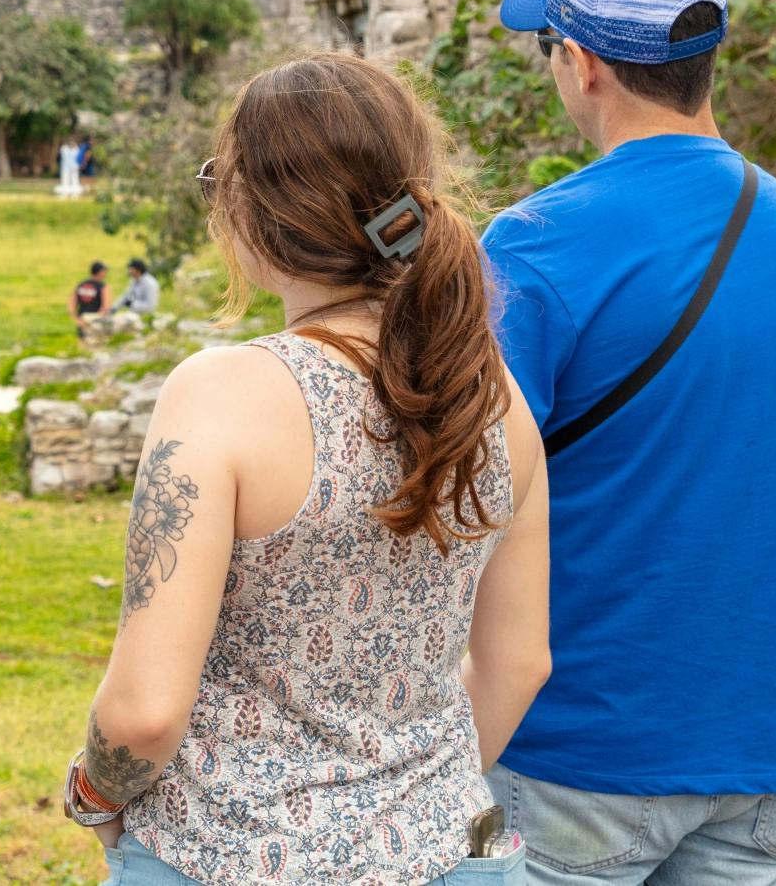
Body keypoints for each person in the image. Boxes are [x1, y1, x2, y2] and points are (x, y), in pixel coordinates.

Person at [66, 54, 550, 886]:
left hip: (223, 856)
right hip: (446, 855)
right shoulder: (496, 401)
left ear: (251, 209)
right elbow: (519, 662)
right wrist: (398, 807)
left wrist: (92, 793)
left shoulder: (222, 394)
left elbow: (144, 714)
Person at [486, 0, 776, 883]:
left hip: (574, 752)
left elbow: (466, 498)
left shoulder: (532, 246)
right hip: (764, 751)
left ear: (581, 63)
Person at [72, 261, 111, 337]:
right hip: (96, 323)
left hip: (82, 321)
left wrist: (77, 320)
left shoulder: (80, 285)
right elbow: (106, 307)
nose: (106, 273)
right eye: (105, 271)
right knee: (97, 343)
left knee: (83, 343)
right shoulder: (103, 287)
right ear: (100, 272)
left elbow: (72, 305)